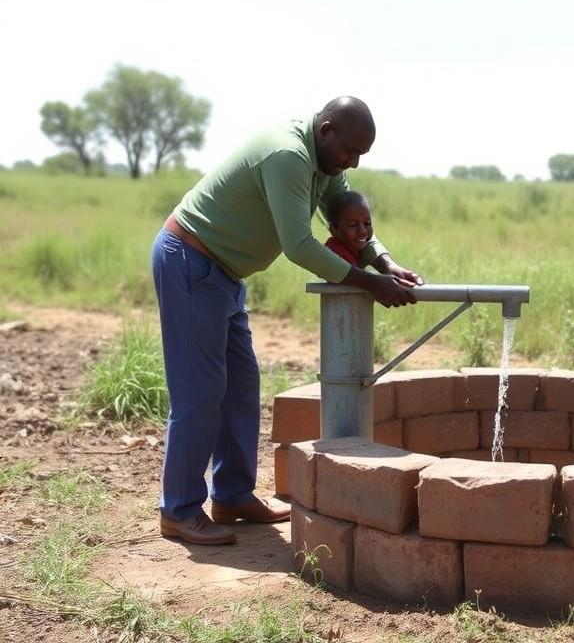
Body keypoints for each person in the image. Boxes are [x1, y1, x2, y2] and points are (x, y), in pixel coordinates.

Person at [151, 96, 422, 545]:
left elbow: (344, 211)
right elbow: (298, 245)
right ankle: (178, 509)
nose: (351, 161)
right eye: (349, 151)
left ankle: (233, 495)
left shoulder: (326, 163)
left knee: (241, 387)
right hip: (192, 263)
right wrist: (368, 283)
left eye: (361, 155)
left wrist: (384, 263)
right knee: (200, 393)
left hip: (224, 274)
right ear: (326, 129)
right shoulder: (289, 156)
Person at [323, 190, 374, 266]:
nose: (363, 231)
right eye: (353, 225)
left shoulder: (354, 248)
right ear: (334, 229)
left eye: (367, 223)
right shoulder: (335, 254)